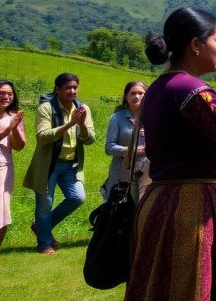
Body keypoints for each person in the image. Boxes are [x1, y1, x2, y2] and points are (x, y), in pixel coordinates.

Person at [126, 6, 216, 300]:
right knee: (191, 287)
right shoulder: (192, 90)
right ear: (196, 44)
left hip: (159, 201)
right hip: (191, 208)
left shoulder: (158, 88)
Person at [23, 72, 95, 254]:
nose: (72, 91)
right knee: (45, 204)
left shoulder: (82, 108)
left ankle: (41, 227)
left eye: (75, 87)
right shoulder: (46, 108)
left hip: (71, 165)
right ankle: (44, 244)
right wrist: (70, 124)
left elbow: (90, 139)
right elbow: (42, 136)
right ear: (57, 89)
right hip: (49, 165)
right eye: (68, 87)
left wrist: (82, 124)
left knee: (77, 197)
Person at [102, 81, 148, 201]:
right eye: (133, 93)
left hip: (146, 172)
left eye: (141, 93)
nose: (137, 96)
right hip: (121, 174)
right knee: (118, 212)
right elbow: (109, 148)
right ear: (125, 96)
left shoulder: (152, 117)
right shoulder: (117, 118)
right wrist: (131, 151)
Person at [0, 80, 27, 253]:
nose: (6, 96)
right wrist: (6, 129)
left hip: (3, 168)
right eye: (2, 93)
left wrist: (15, 128)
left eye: (9, 94)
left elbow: (19, 146)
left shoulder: (14, 116)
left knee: (2, 213)